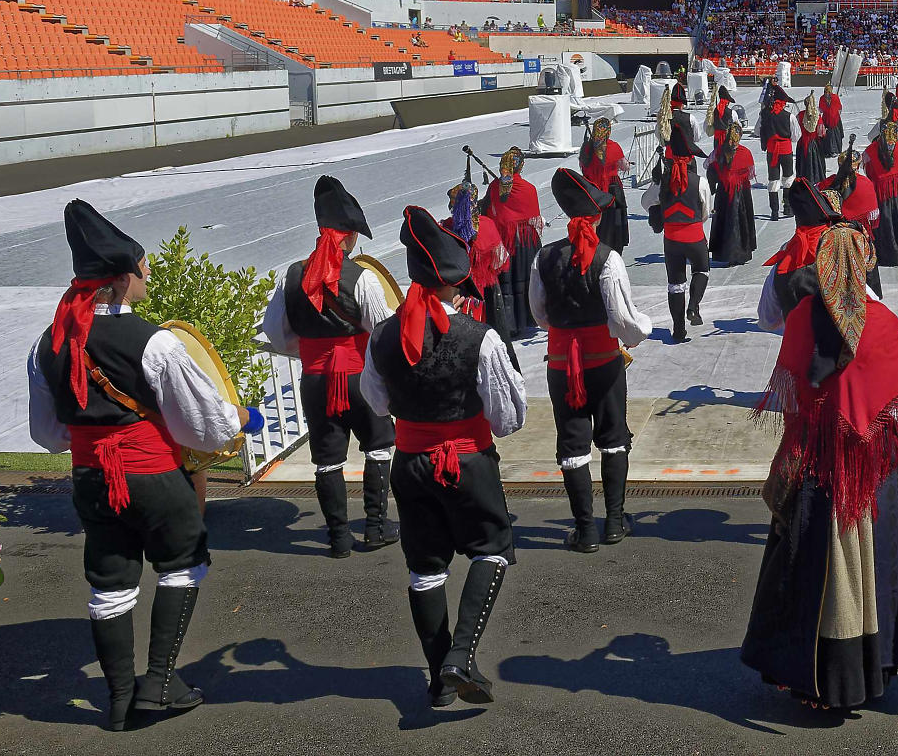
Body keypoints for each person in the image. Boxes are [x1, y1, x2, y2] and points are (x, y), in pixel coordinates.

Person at [27, 200, 257, 730]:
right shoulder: (156, 342)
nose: (148, 272)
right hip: (152, 475)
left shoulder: (48, 344)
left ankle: (118, 699)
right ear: (122, 278)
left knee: (109, 583)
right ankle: (159, 682)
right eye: (143, 265)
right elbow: (204, 428)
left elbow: (48, 435)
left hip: (91, 479)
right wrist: (242, 417)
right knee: (182, 563)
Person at [740, 226, 898, 709]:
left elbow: (790, 392)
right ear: (865, 266)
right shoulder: (885, 322)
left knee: (812, 563)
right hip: (875, 460)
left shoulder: (800, 318)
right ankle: (876, 664)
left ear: (821, 266)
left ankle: (817, 676)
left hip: (816, 455)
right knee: (882, 559)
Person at [360, 205, 528, 708]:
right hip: (468, 460)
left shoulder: (382, 335)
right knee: (491, 548)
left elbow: (377, 402)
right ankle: (460, 657)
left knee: (425, 569)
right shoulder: (481, 336)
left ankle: (439, 680)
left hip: (410, 463)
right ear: (458, 281)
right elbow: (508, 418)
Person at [260, 176, 400, 558]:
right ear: (350, 236)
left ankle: (338, 539)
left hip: (315, 380)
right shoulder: (363, 278)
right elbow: (383, 331)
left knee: (326, 458)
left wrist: (312, 351)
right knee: (378, 447)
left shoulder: (291, 275)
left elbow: (275, 333)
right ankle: (375, 527)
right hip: (359, 377)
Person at [530, 169, 652, 553]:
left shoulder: (543, 257)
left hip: (562, 364)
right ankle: (614, 522)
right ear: (596, 217)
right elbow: (624, 321)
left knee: (572, 441)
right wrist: (641, 330)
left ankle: (585, 531)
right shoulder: (608, 258)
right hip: (603, 362)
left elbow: (540, 314)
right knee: (613, 437)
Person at [642, 126, 713, 343]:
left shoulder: (662, 182)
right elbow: (706, 212)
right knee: (702, 270)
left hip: (671, 240)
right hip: (694, 236)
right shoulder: (700, 182)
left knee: (675, 284)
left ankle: (678, 330)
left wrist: (660, 210)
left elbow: (646, 202)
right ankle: (693, 306)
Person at [758, 177, 846, 329]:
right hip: (840, 341)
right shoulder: (843, 251)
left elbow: (767, 320)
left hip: (797, 341)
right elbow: (869, 302)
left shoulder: (782, 264)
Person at [482, 146, 542, 340]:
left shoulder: (494, 187)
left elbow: (488, 211)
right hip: (524, 241)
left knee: (506, 282)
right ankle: (530, 318)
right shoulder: (528, 189)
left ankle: (509, 323)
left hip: (502, 242)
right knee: (526, 279)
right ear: (520, 166)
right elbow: (534, 218)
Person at [448, 180, 512, 347]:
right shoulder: (488, 224)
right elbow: (500, 262)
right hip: (488, 288)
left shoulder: (446, 228)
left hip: (459, 291)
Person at [822, 141, 883, 296]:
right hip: (859, 236)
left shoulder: (828, 182)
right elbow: (873, 216)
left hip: (835, 235)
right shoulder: (866, 183)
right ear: (858, 165)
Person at [863, 118, 898, 268]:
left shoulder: (872, 150)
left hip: (881, 194)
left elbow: (868, 169)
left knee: (884, 223)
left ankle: (886, 255)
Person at [709, 117, 759, 267]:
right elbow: (750, 173)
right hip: (741, 192)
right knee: (741, 222)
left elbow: (708, 166)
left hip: (723, 193)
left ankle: (726, 254)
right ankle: (741, 253)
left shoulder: (718, 151)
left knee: (725, 221)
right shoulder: (746, 153)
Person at [578, 116, 632, 254]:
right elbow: (624, 166)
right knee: (613, 222)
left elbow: (582, 166)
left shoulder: (587, 148)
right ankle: (614, 246)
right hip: (612, 189)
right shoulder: (613, 147)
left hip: (592, 189)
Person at [757, 83, 802, 221]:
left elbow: (757, 131)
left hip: (772, 151)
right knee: (788, 178)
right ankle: (788, 207)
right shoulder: (790, 116)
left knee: (773, 180)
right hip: (786, 150)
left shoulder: (765, 115)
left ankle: (774, 212)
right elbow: (796, 136)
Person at [796, 92, 829, 186]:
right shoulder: (817, 116)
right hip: (814, 143)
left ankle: (803, 178)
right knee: (816, 163)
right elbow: (821, 133)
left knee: (802, 162)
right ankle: (816, 178)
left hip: (802, 143)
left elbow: (796, 129)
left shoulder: (800, 115)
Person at [818, 83, 845, 157]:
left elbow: (821, 109)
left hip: (827, 118)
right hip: (835, 118)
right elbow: (839, 108)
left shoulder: (822, 98)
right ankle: (835, 150)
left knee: (827, 135)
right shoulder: (835, 97)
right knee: (836, 135)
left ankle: (828, 150)